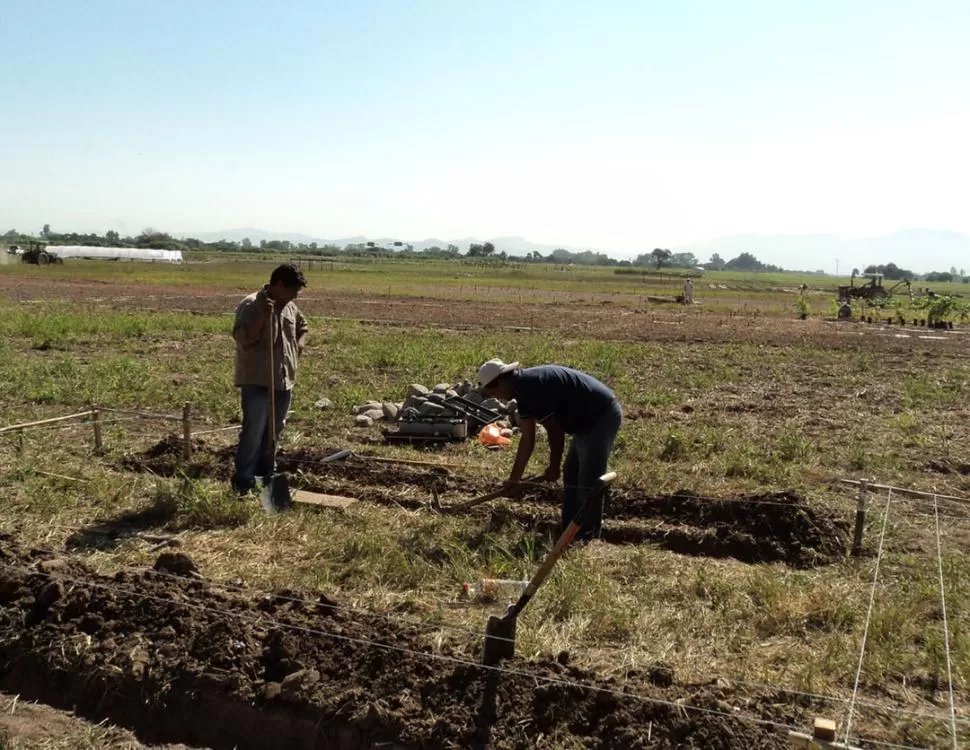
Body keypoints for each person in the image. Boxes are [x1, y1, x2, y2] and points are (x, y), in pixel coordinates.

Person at [477, 359, 622, 540]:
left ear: (501, 380)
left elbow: (555, 432)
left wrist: (553, 467)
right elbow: (528, 438)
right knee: (571, 474)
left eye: (495, 392)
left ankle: (586, 538)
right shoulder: (521, 389)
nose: (499, 398)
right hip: (584, 422)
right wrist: (514, 479)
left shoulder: (531, 387)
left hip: (600, 416)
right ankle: (569, 531)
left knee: (587, 482)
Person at [231, 263, 309, 494]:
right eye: (292, 290)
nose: (295, 296)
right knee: (254, 431)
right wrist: (262, 317)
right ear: (278, 285)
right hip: (257, 379)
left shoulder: (289, 306)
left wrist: (299, 344)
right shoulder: (252, 304)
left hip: (283, 379)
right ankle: (243, 480)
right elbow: (242, 338)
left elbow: (303, 326)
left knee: (274, 431)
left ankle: (266, 475)